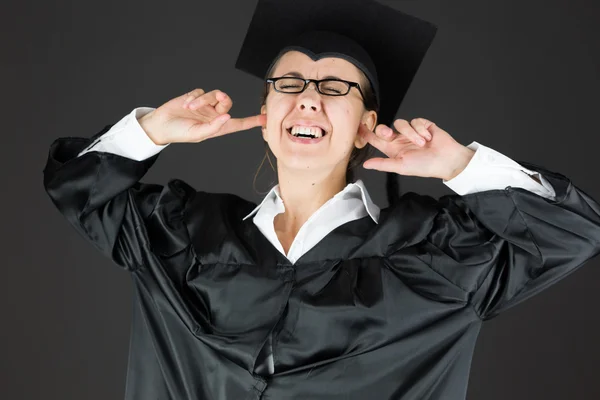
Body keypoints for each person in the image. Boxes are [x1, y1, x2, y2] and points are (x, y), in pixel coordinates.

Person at [42, 0, 600, 399]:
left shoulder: (438, 258)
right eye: (290, 84)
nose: (308, 99)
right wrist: (152, 130)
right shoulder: (180, 233)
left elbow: (574, 231)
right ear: (266, 119)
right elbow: (78, 188)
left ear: (366, 127)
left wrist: (458, 165)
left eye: (336, 88)